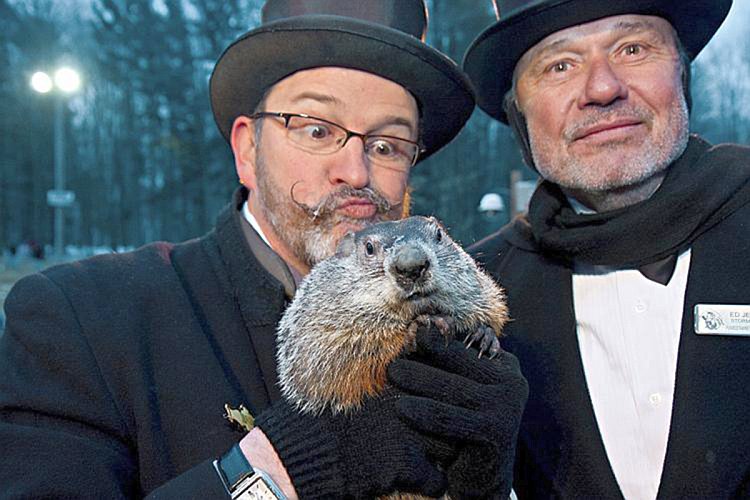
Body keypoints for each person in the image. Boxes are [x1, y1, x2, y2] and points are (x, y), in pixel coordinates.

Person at [0, 1, 529, 499]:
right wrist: (285, 467)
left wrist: (483, 482)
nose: (356, 171)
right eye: (318, 130)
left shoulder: (452, 302)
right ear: (247, 150)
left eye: (387, 144)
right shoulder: (79, 318)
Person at [463, 0, 750, 498]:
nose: (602, 88)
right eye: (560, 65)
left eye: (633, 48)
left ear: (682, 78)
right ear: (520, 117)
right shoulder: (475, 297)